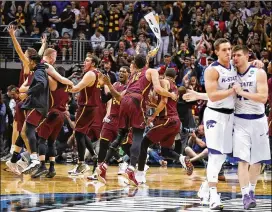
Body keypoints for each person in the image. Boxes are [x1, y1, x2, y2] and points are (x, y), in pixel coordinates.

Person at [97, 54, 177, 186]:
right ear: (146, 62)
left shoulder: (133, 74)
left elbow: (123, 95)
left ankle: (103, 166)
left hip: (124, 101)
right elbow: (157, 89)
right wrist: (171, 94)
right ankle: (131, 169)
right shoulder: (151, 71)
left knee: (121, 135)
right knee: (138, 135)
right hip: (136, 101)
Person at [137, 68, 193, 184]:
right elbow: (166, 103)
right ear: (175, 77)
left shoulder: (164, 82)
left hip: (166, 121)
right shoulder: (175, 87)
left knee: (144, 143)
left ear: (163, 75)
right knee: (165, 151)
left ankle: (140, 174)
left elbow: (164, 102)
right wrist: (151, 104)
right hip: (175, 122)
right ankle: (182, 159)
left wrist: (153, 116)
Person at [232, 45, 271, 210]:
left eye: (238, 55)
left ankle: (252, 191)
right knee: (243, 160)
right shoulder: (230, 75)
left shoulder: (259, 73)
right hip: (240, 121)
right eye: (233, 55)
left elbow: (263, 98)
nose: (235, 58)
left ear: (247, 56)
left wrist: (242, 92)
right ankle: (245, 195)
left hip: (259, 121)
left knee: (257, 161)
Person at [202, 38, 237, 210]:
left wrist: (258, 63)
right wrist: (232, 90)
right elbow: (213, 95)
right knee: (215, 156)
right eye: (224, 49)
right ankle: (214, 196)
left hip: (230, 116)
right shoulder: (212, 70)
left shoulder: (234, 67)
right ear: (216, 51)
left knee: (222, 156)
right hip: (214, 115)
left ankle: (205, 185)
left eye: (229, 49)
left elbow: (249, 63)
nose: (228, 52)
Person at [31, 67, 70, 178]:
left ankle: (42, 166)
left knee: (42, 140)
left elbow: (45, 74)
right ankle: (52, 168)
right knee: (52, 141)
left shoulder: (53, 82)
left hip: (53, 113)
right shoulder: (67, 86)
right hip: (62, 115)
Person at [68, 55, 100, 175]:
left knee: (78, 133)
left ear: (93, 63)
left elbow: (75, 88)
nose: (84, 62)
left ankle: (81, 164)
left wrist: (64, 85)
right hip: (91, 107)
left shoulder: (90, 74)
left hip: (86, 107)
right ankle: (93, 155)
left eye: (87, 60)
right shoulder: (97, 73)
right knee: (82, 132)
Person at [20, 54, 50, 174]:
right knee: (28, 130)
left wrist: (27, 92)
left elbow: (41, 84)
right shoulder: (41, 70)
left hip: (38, 105)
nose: (28, 64)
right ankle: (33, 158)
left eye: (29, 62)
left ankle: (34, 159)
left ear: (33, 62)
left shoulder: (38, 72)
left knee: (29, 130)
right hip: (41, 106)